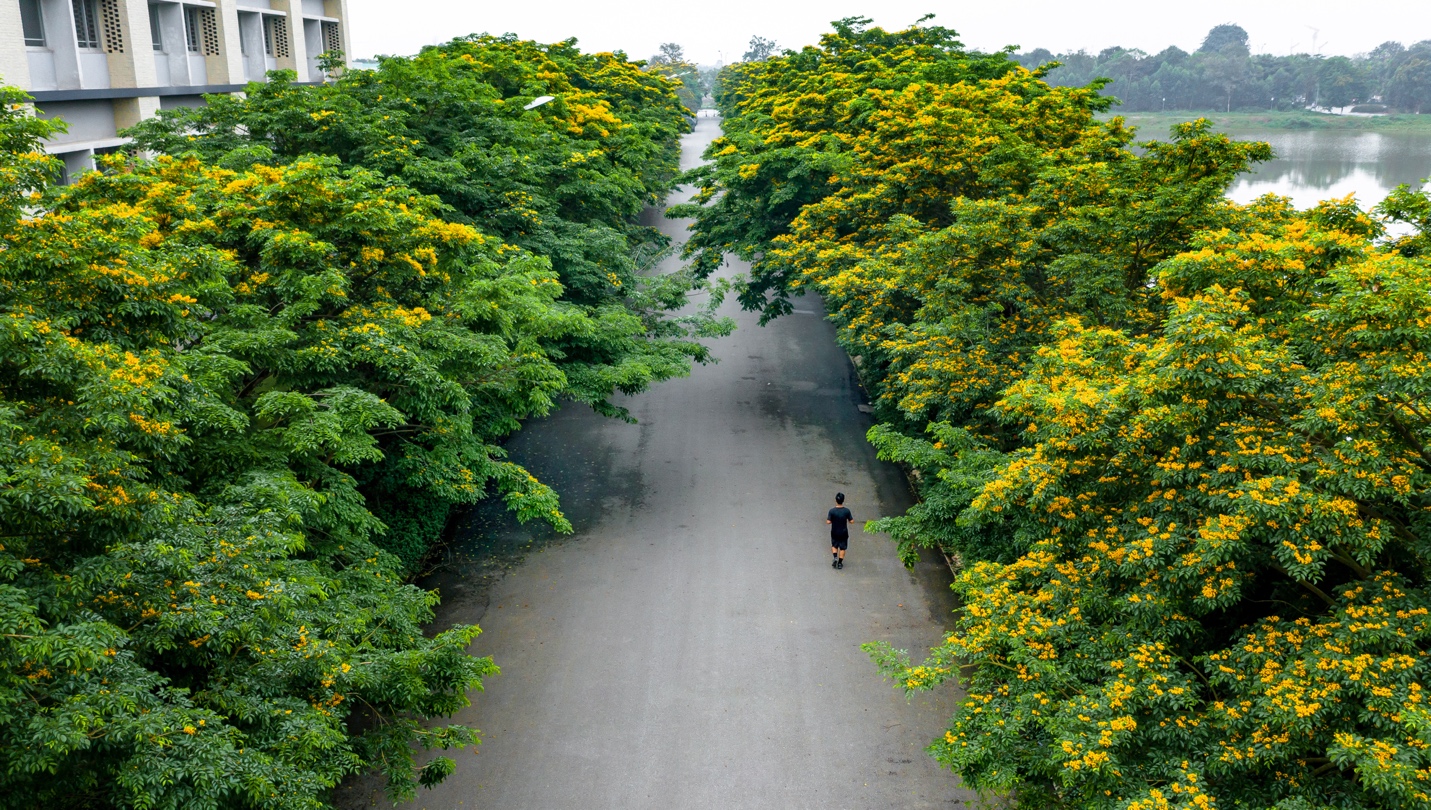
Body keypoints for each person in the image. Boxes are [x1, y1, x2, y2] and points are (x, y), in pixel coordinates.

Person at [826, 492, 853, 569]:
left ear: (836, 500)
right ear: (843, 500)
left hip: (834, 531)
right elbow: (851, 521)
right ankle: (840, 563)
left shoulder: (832, 511)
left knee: (834, 545)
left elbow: (828, 521)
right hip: (843, 532)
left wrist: (832, 520)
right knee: (842, 548)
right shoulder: (846, 511)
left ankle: (835, 558)